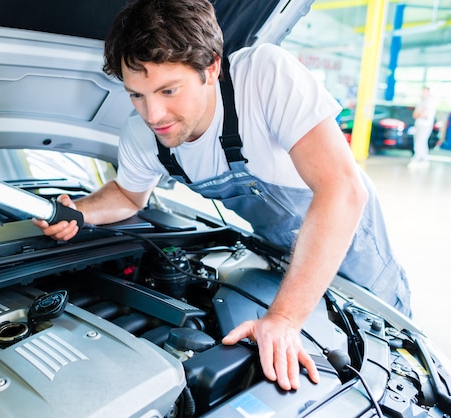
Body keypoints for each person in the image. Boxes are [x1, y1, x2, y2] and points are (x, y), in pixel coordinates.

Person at [33, 0, 411, 391]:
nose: (153, 114)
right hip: (279, 256)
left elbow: (342, 189)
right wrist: (79, 211)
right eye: (137, 95)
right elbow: (129, 197)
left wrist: (282, 320)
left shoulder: (263, 76)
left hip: (356, 256)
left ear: (211, 67)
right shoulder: (142, 136)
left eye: (169, 90)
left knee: (389, 364)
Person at [410, 86, 438, 166]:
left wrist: (420, 113)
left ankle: (418, 159)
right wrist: (420, 113)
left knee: (421, 142)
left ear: (428, 92)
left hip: (425, 126)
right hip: (418, 125)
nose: (423, 93)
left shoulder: (430, 102)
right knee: (418, 142)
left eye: (425, 92)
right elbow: (415, 115)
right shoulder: (421, 102)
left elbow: (424, 114)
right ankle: (423, 159)